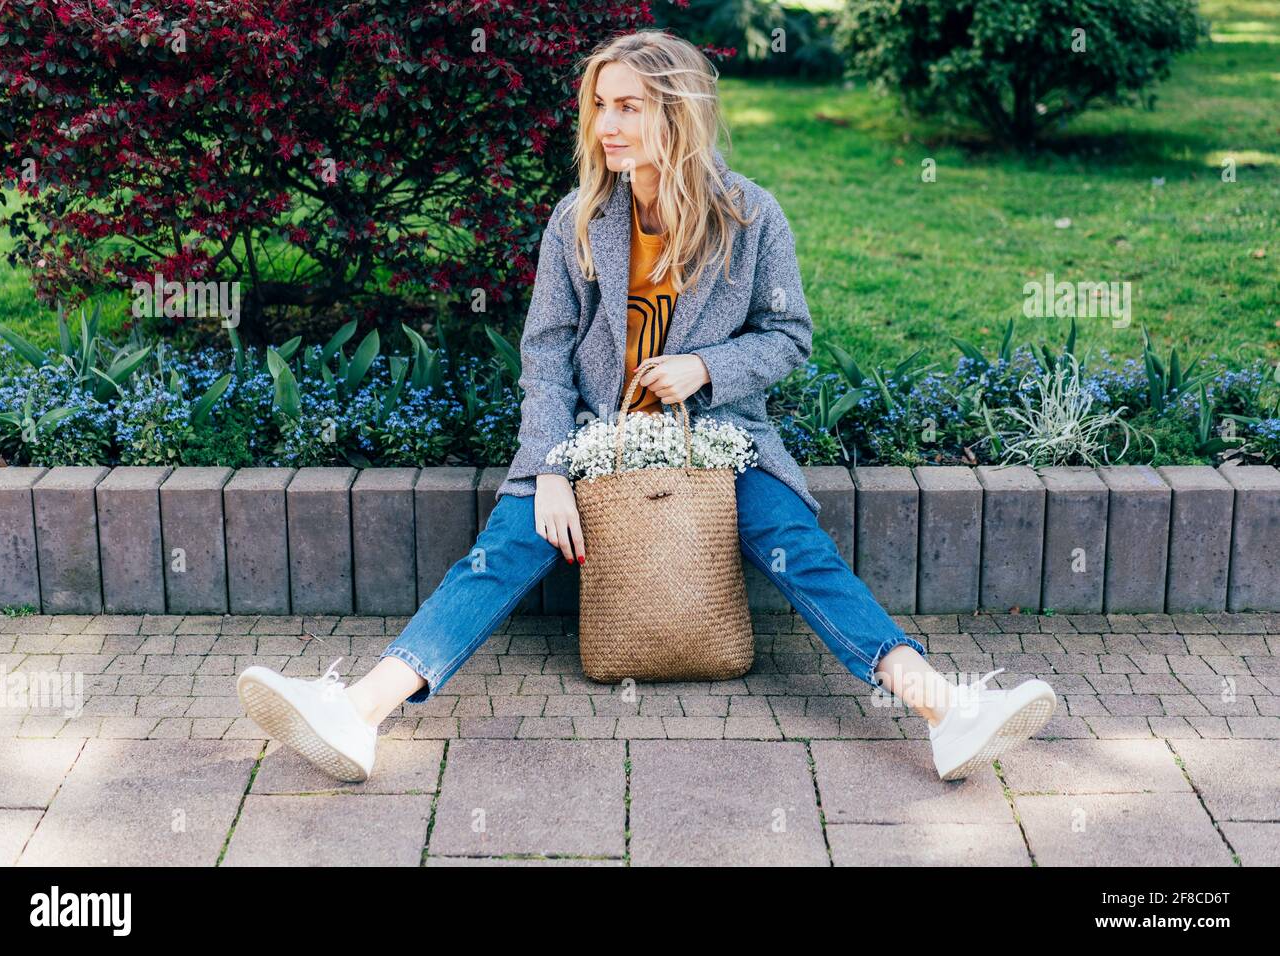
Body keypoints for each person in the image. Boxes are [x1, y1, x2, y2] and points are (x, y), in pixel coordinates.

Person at [237, 29, 1057, 785]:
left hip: (724, 443)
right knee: (503, 551)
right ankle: (358, 714)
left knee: (797, 548)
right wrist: (549, 471)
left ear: (678, 111)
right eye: (599, 104)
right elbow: (545, 358)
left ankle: (948, 712)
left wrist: (703, 365)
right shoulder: (581, 222)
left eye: (628, 106)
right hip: (595, 441)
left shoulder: (751, 217)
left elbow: (789, 337)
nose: (606, 125)